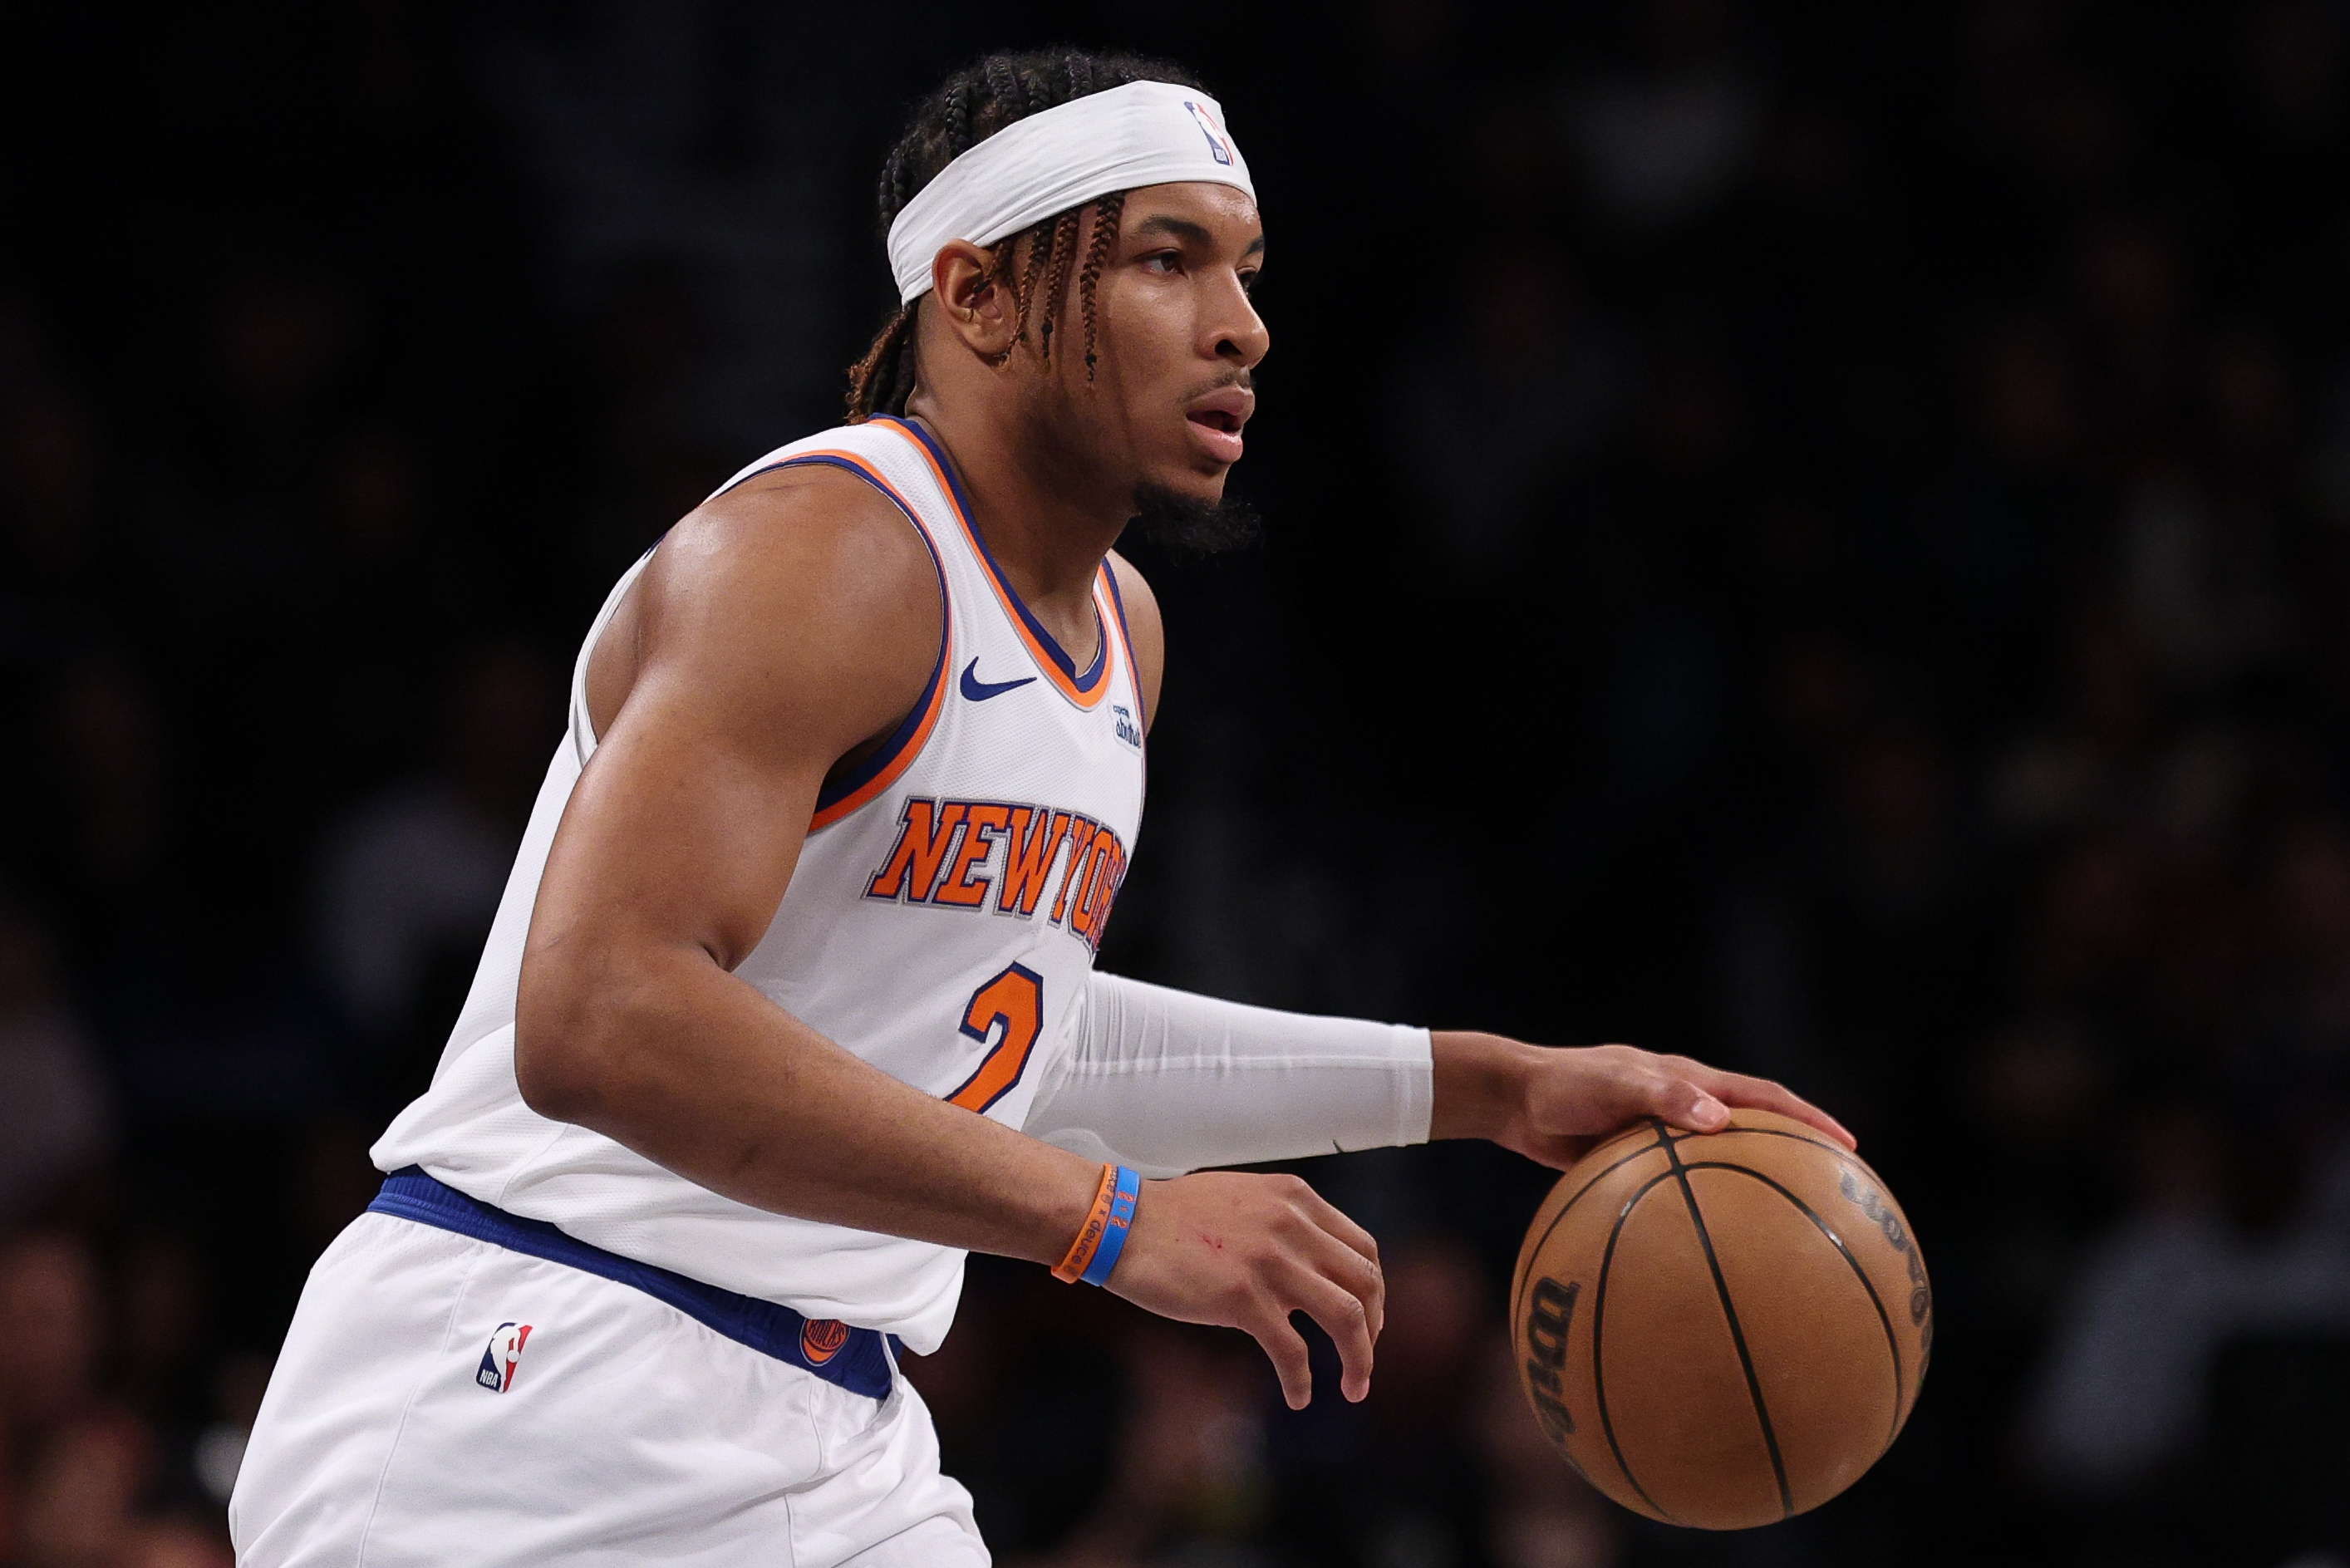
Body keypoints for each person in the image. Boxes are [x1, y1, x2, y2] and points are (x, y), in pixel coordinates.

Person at [228, 49, 1851, 1568]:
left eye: (1247, 271)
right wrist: (1105, 1219)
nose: (1241, 328)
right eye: (1166, 261)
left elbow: (1004, 1040)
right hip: (526, 1365)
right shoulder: (825, 552)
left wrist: (1484, 1083)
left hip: (834, 1418)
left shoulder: (1118, 635)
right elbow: (593, 1013)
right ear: (978, 294)